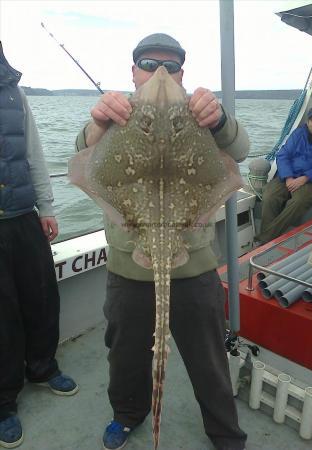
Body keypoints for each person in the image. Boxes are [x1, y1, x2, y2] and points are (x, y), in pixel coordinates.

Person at [75, 33, 249, 450]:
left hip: (193, 264)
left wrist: (219, 119)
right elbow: (81, 155)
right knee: (125, 353)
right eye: (149, 64)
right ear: (133, 71)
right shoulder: (115, 113)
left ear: (182, 74)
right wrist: (98, 122)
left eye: (170, 66)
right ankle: (128, 413)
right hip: (127, 265)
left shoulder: (199, 111)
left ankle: (226, 434)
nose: (159, 73)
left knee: (208, 358)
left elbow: (239, 150)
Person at [0, 42, 78, 448]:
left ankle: (43, 367)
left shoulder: (14, 89)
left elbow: (34, 152)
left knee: (42, 297)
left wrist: (46, 205)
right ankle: (4, 399)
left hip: (24, 214)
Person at [256, 105, 312, 244]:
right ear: (307, 122)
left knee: (298, 201)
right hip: (289, 176)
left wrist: (305, 177)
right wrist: (288, 177)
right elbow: (283, 155)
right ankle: (268, 241)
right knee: (270, 196)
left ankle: (264, 240)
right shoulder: (299, 134)